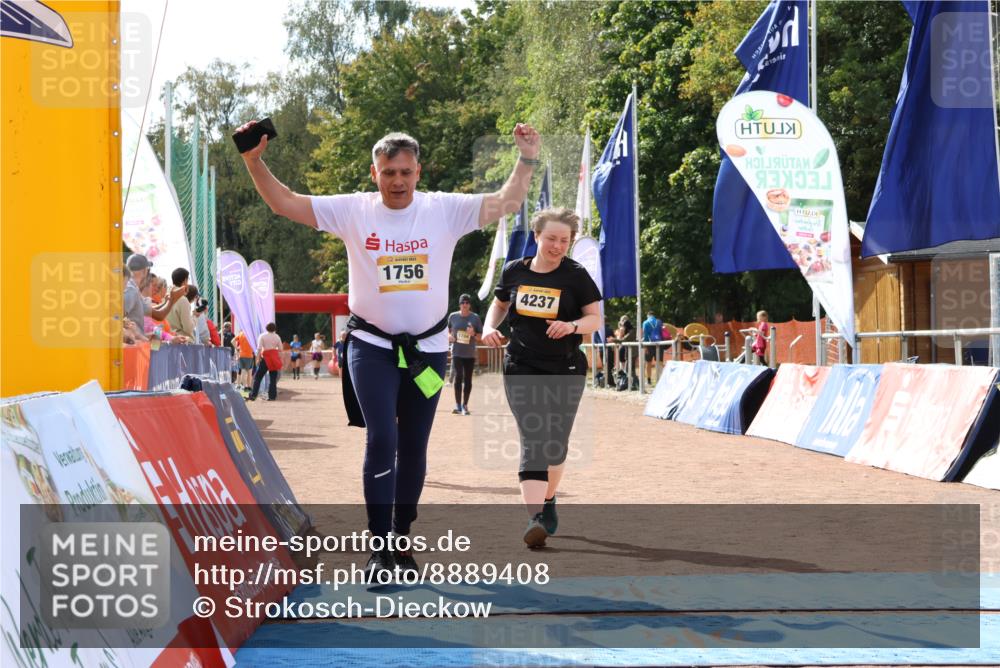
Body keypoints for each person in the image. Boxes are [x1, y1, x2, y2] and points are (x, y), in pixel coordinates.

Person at [236, 119, 541, 578]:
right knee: (383, 438)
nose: (396, 181)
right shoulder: (354, 211)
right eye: (387, 172)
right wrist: (253, 161)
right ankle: (378, 548)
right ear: (374, 173)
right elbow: (284, 203)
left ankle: (401, 537)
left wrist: (527, 158)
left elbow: (507, 202)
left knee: (415, 445)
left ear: (418, 172)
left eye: (405, 172)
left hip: (431, 350)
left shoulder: (444, 210)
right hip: (371, 345)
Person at [481, 208, 602, 548]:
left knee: (555, 443)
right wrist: (491, 325)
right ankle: (535, 518)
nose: (557, 246)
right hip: (521, 365)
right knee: (534, 438)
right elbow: (501, 303)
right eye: (551, 238)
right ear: (536, 236)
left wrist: (572, 326)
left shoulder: (575, 275)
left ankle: (549, 499)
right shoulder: (514, 270)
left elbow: (594, 319)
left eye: (565, 240)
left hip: (565, 367)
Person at [447, 294, 483, 415]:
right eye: (463, 303)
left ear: (470, 305)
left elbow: (480, 337)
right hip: (457, 352)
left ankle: (465, 405)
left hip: (469, 354)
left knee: (468, 379)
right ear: (460, 304)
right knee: (458, 376)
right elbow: (447, 332)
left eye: (467, 302)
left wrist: (473, 333)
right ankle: (457, 405)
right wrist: (449, 337)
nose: (465, 305)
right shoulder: (453, 316)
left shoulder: (475, 318)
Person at [248, 322, 283, 401]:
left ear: (266, 328)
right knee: (273, 378)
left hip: (265, 359)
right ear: (274, 328)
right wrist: (274, 350)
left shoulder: (262, 336)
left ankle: (253, 395)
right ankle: (272, 396)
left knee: (258, 377)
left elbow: (259, 349)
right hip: (273, 359)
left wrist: (257, 359)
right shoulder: (277, 336)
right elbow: (280, 348)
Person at [165, 269, 197, 340]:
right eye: (187, 280)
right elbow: (188, 328)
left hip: (166, 338)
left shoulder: (164, 295)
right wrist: (195, 317)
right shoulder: (182, 300)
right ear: (185, 280)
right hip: (182, 341)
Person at [641, 310, 663, 384]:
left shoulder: (645, 322)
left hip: (649, 344)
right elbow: (661, 332)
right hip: (659, 343)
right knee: (659, 362)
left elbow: (645, 335)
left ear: (648, 315)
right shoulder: (659, 322)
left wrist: (645, 345)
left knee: (648, 363)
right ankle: (661, 379)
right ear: (654, 315)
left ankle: (649, 380)